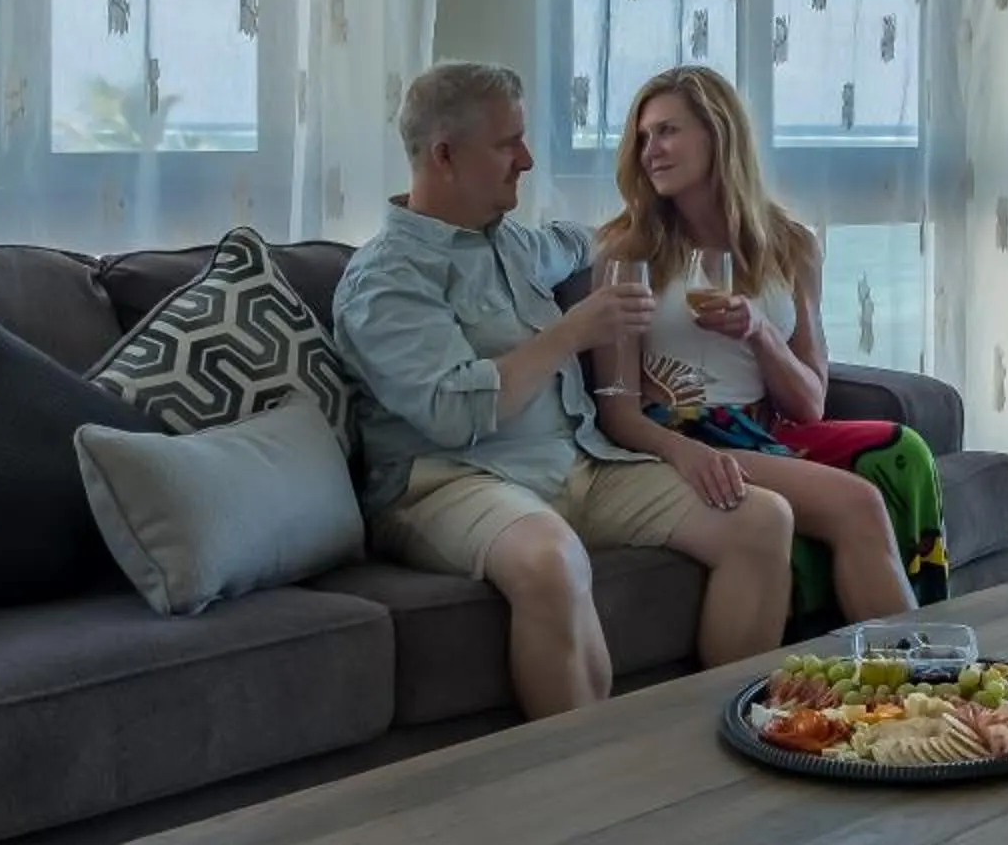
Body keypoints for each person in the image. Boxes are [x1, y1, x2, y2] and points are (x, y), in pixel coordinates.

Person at [332, 61, 797, 718]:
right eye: (507, 144)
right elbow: (452, 412)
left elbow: (586, 242)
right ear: (443, 154)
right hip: (451, 482)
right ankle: (586, 792)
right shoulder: (386, 278)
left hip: (578, 464)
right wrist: (572, 332)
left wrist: (679, 217)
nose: (525, 159)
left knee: (761, 519)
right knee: (552, 559)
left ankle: (722, 738)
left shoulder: (515, 245)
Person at [588, 65, 928, 623]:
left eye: (668, 131)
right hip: (678, 433)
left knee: (902, 450)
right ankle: (912, 683)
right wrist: (688, 453)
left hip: (766, 430)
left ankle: (899, 674)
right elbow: (617, 411)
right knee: (858, 502)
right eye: (644, 138)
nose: (652, 151)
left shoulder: (791, 247)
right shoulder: (627, 253)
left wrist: (760, 331)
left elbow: (809, 404)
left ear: (718, 134)